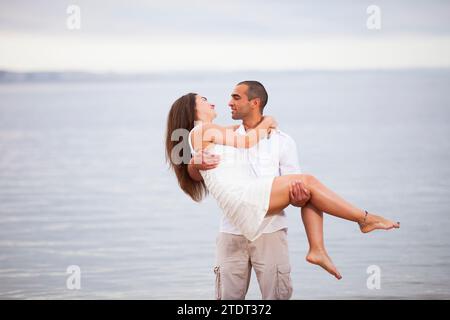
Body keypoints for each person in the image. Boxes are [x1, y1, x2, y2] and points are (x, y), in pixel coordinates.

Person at [164, 86, 400, 299]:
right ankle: (362, 220)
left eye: (235, 98)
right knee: (309, 180)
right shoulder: (205, 131)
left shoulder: (266, 139)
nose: (219, 103)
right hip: (241, 206)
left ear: (254, 103)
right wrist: (268, 122)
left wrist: (266, 125)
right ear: (193, 110)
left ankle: (321, 247)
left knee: (307, 185)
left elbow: (238, 138)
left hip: (261, 219)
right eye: (204, 100)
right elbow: (244, 143)